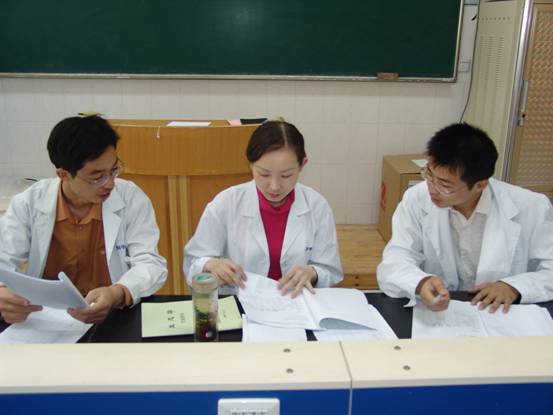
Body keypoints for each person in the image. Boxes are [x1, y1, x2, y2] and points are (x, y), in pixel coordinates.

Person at [0, 115, 167, 324]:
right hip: (45, 318)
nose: (110, 184)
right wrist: (2, 293)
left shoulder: (131, 198)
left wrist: (117, 292)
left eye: (113, 170)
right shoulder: (29, 202)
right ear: (63, 174)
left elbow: (150, 263)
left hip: (112, 315)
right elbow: (4, 260)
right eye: (97, 177)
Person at [377, 123, 553, 313]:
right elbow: (396, 259)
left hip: (500, 314)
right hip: (439, 314)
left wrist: (513, 287)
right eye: (429, 174)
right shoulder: (416, 199)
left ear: (480, 185)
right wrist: (420, 282)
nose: (432, 188)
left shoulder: (532, 207)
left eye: (445, 185)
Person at [184, 120, 343, 297]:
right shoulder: (226, 203)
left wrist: (312, 273)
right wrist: (210, 264)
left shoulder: (317, 206)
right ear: (250, 164)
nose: (274, 186)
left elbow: (330, 270)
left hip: (296, 304)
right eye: (264, 174)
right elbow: (193, 263)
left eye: (286, 175)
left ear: (302, 165)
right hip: (239, 303)